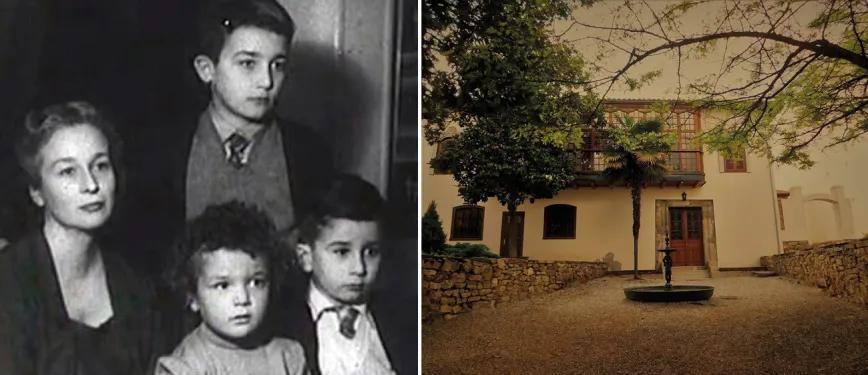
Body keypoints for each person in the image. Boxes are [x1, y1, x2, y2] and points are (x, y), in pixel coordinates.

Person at [122, 0, 333, 276]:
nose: (266, 81)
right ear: (206, 70)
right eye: (248, 63)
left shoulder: (308, 152)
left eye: (277, 65)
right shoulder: (162, 152)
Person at [0, 101, 159, 375]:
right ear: (37, 192)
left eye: (100, 165)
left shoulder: (138, 287)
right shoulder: (9, 282)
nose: (91, 185)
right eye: (68, 171)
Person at [279, 174, 415, 375]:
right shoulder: (282, 325)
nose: (359, 268)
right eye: (342, 252)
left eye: (370, 252)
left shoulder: (404, 321)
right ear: (306, 257)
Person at [156, 201, 306, 374]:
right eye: (223, 286)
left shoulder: (289, 356)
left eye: (256, 282)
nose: (242, 299)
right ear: (193, 297)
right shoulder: (185, 367)